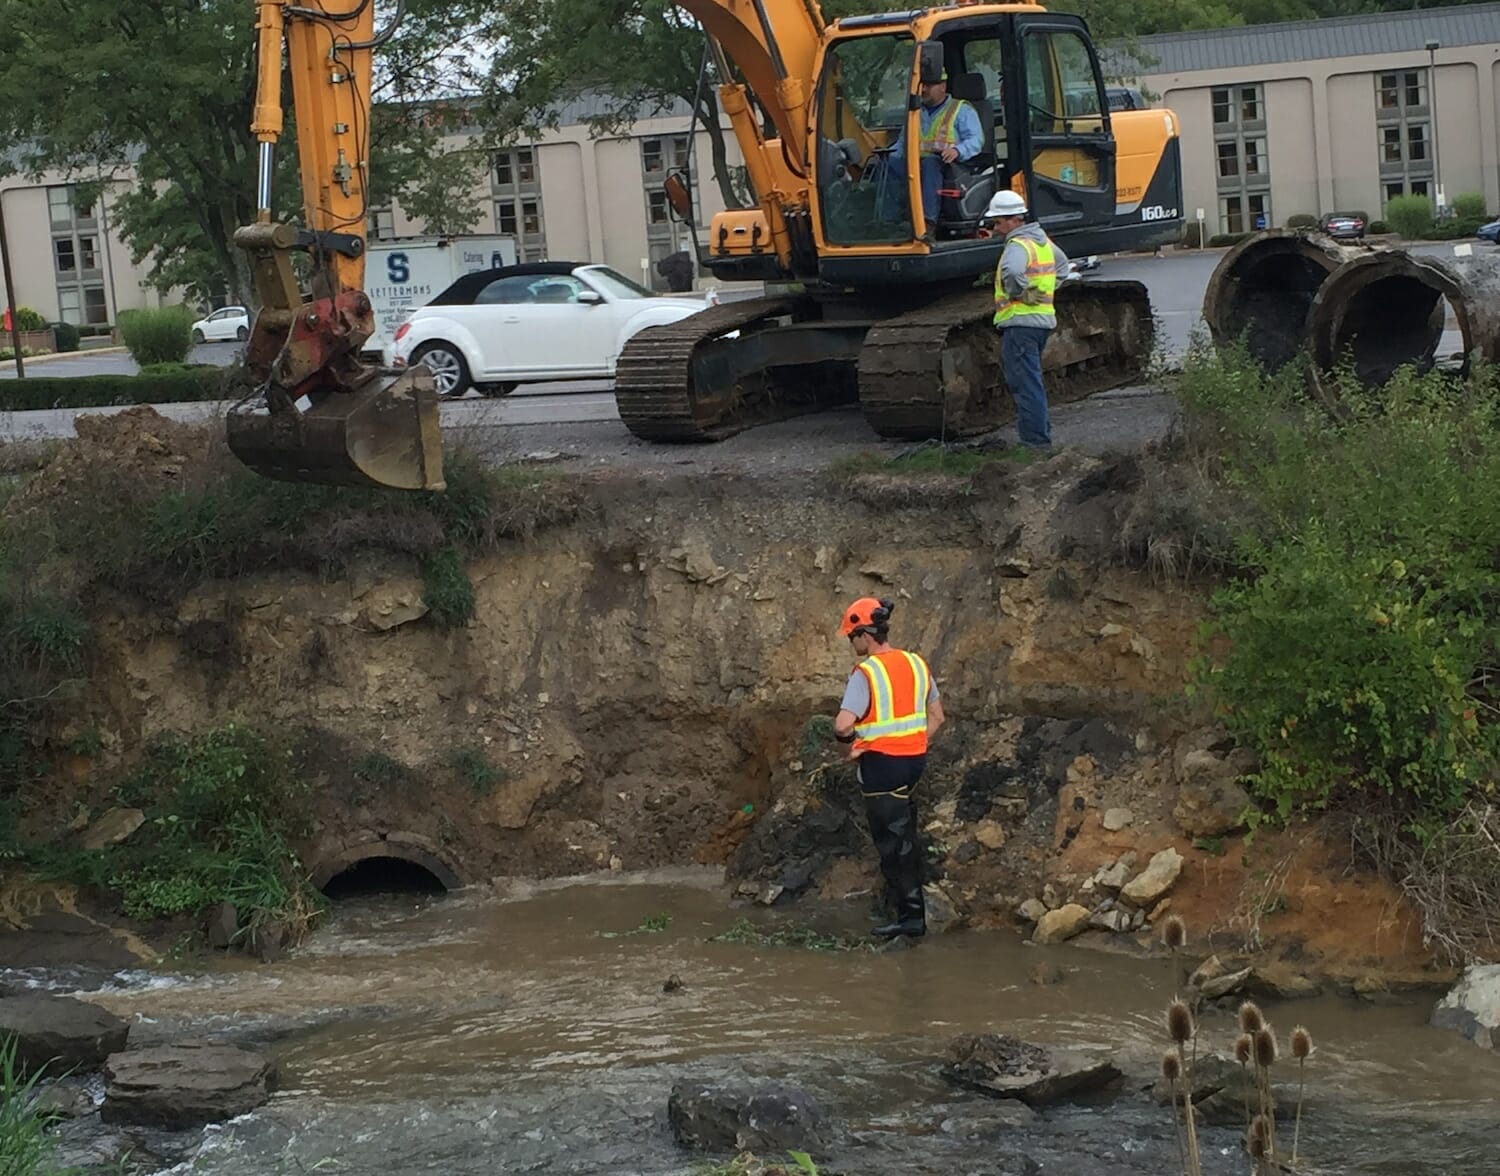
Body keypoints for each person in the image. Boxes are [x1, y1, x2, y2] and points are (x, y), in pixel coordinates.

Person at [833, 597, 945, 939]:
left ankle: (910, 919)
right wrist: (913, 743)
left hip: (882, 768)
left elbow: (842, 725)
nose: (852, 644)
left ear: (865, 634)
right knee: (904, 833)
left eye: (852, 637)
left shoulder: (866, 673)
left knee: (892, 843)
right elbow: (937, 717)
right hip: (914, 763)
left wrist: (853, 745)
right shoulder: (916, 663)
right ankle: (910, 911)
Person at [985, 189, 1069, 448]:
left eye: (998, 222)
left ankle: (1035, 443)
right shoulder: (1041, 241)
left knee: (1025, 384)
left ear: (1014, 220)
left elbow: (1011, 271)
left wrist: (1022, 293)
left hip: (1020, 323)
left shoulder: (1018, 244)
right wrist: (1044, 293)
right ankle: (1039, 437)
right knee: (1031, 381)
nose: (996, 229)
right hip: (1040, 321)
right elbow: (1063, 266)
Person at [879, 71, 982, 229]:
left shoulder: (961, 110)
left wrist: (957, 150)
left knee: (930, 163)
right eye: (922, 85)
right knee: (890, 164)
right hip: (917, 165)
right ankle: (888, 221)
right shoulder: (916, 113)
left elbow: (976, 139)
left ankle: (928, 222)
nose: (923, 90)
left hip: (952, 165)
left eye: (929, 85)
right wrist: (886, 156)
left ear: (943, 86)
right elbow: (902, 144)